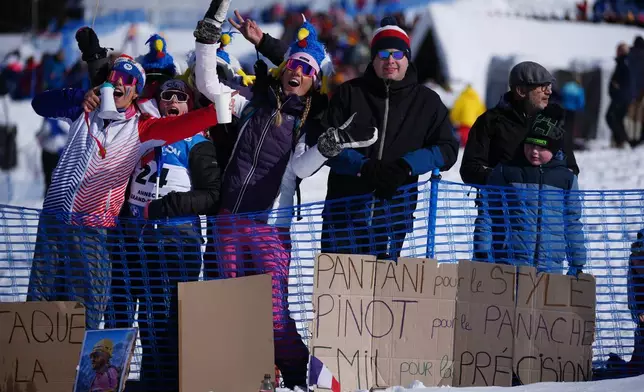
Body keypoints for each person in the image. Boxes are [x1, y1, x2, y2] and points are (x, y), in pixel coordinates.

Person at [193, 4, 377, 387]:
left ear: (315, 80)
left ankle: (304, 375)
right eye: (294, 65)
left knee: (274, 314)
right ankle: (249, 374)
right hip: (229, 220)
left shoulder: (308, 121)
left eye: (307, 70)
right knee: (232, 304)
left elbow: (301, 169)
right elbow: (209, 84)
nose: (298, 72)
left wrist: (328, 145)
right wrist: (208, 36)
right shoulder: (253, 102)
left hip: (270, 226)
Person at [26, 54, 223, 330]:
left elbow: (184, 126)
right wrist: (78, 97)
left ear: (135, 93)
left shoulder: (140, 128)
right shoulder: (83, 110)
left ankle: (78, 371)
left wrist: (221, 107)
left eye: (128, 80)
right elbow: (39, 104)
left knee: (83, 313)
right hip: (54, 223)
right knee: (40, 305)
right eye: (114, 77)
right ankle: (37, 371)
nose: (118, 82)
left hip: (93, 229)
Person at [318, 16, 458, 259]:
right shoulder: (350, 93)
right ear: (373, 59)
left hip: (392, 218)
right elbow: (325, 144)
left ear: (407, 57)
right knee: (339, 295)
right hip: (343, 216)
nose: (390, 60)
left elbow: (447, 149)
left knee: (381, 294)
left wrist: (407, 166)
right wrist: (363, 166)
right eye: (382, 55)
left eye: (397, 54)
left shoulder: (427, 101)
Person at [460, 61, 579, 262]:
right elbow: (470, 168)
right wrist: (506, 181)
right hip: (500, 231)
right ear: (521, 90)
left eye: (549, 87)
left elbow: (570, 169)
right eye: (542, 87)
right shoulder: (491, 122)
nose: (549, 92)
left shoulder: (553, 122)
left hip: (546, 237)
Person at [485, 108, 587, 274]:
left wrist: (577, 262)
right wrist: (483, 250)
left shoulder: (565, 179)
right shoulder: (507, 171)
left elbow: (572, 222)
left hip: (551, 266)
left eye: (541, 147)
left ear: (554, 149)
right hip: (510, 263)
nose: (534, 151)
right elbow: (489, 212)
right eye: (530, 144)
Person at [35, 118, 70, 196]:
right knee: (47, 175)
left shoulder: (64, 120)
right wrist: (40, 136)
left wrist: (58, 133)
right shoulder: (47, 119)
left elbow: (69, 134)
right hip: (47, 152)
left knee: (58, 177)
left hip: (58, 153)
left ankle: (57, 195)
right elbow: (41, 134)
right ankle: (47, 195)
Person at [606, 42, 631, 148]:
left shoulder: (625, 63)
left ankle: (623, 139)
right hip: (619, 97)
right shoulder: (622, 62)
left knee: (611, 117)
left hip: (620, 98)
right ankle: (620, 141)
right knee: (617, 119)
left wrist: (617, 87)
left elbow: (626, 81)